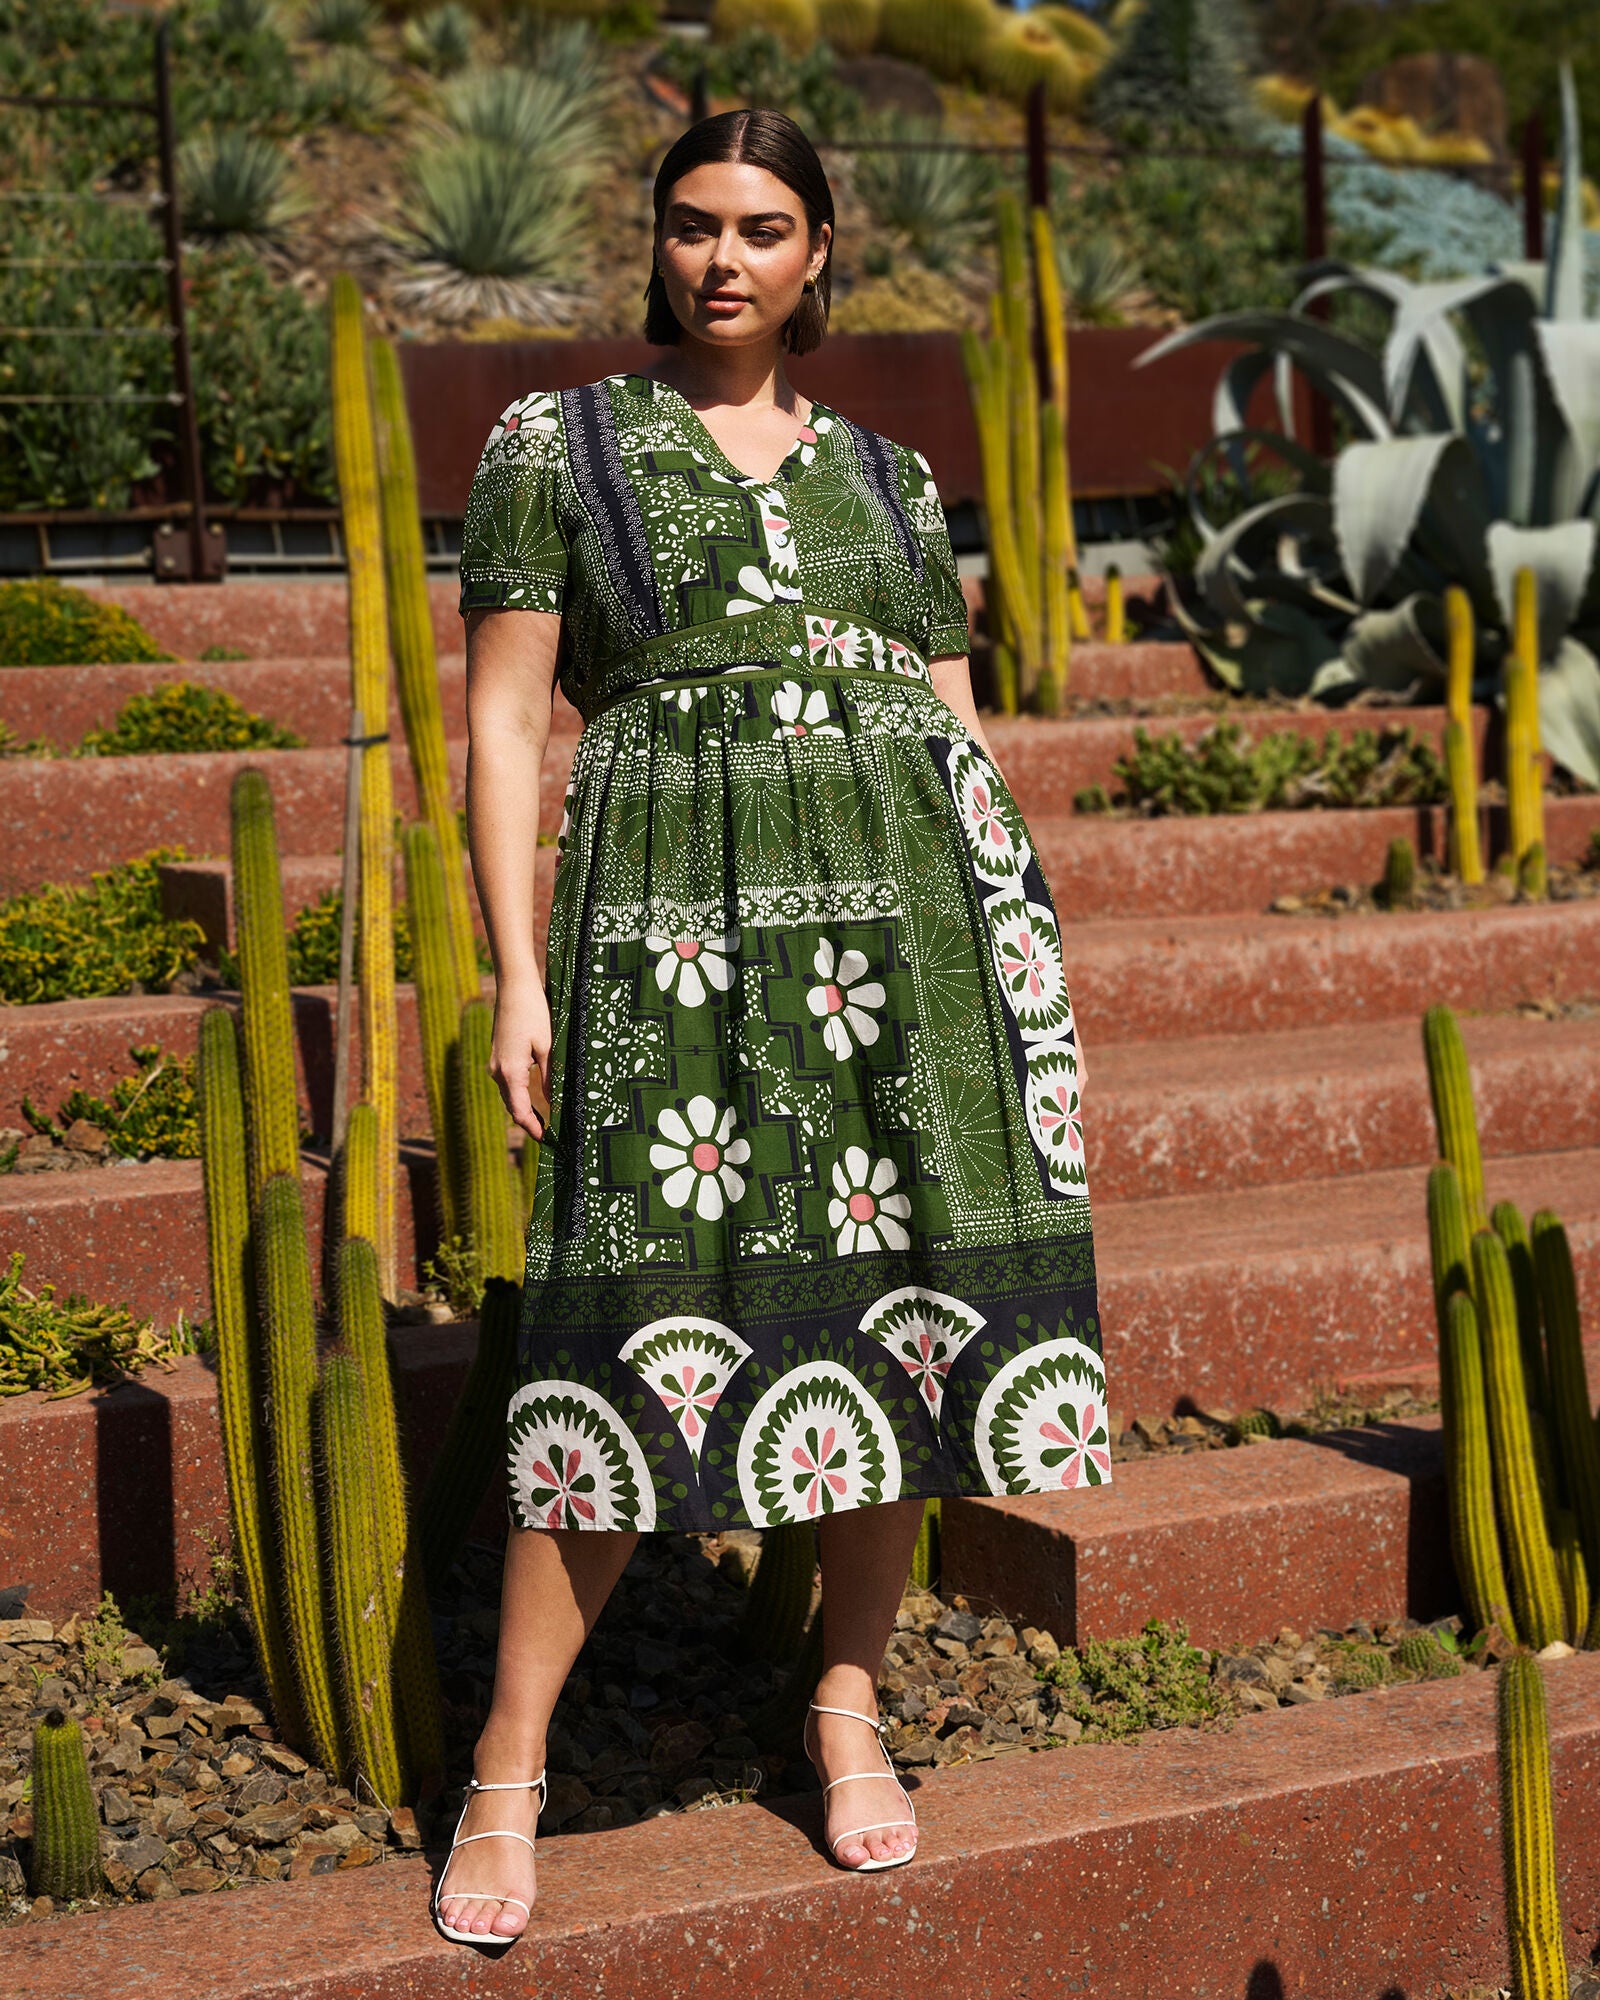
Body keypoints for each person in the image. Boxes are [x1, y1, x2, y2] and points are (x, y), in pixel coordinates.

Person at [432, 106, 1109, 1950]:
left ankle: (844, 1706)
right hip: (669, 928)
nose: (722, 257)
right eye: (692, 224)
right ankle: (511, 1763)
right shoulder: (551, 448)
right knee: (625, 1317)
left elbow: (956, 733)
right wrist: (517, 971)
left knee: (893, 1328)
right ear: (654, 242)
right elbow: (503, 725)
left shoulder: (890, 480)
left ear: (822, 254)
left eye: (764, 228)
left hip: (910, 933)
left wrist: (1010, 976)